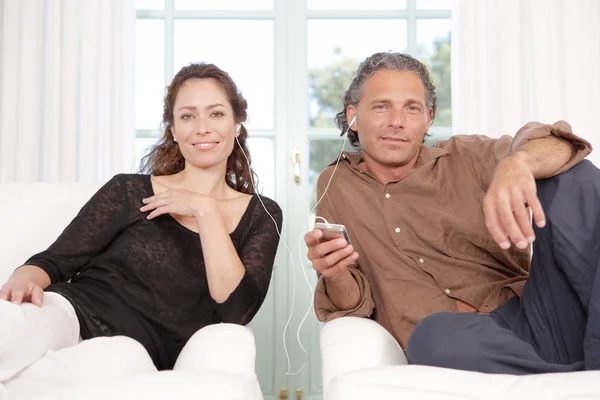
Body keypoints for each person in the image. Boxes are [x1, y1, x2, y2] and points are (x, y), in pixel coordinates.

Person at [305, 51, 600, 374]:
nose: (397, 121)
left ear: (428, 118)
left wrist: (519, 163)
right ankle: (578, 376)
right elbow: (353, 305)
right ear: (353, 116)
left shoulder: (465, 156)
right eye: (381, 106)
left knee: (575, 177)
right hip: (457, 343)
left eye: (412, 108)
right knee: (431, 337)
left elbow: (559, 143)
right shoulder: (337, 185)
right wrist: (333, 273)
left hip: (539, 316)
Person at [0, 63, 282, 384]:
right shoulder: (129, 190)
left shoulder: (262, 214)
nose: (202, 127)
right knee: (11, 327)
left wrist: (205, 209)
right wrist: (23, 277)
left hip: (134, 352)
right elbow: (56, 261)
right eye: (188, 116)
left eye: (216, 114)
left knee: (114, 365)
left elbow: (235, 312)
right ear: (174, 130)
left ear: (237, 124)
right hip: (71, 312)